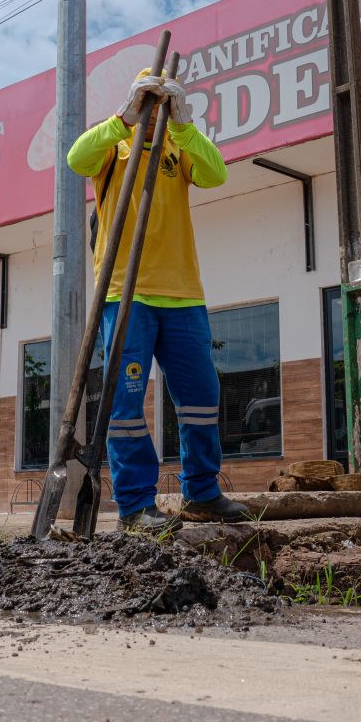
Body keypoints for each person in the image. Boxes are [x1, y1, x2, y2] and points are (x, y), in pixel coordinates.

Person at [68, 70, 250, 533]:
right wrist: (122, 117)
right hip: (125, 295)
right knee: (125, 403)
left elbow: (216, 173)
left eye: (161, 105)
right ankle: (135, 507)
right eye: (148, 104)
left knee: (201, 398)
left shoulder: (177, 149)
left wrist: (186, 123)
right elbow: (75, 158)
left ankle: (202, 495)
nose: (154, 114)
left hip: (184, 295)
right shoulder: (115, 148)